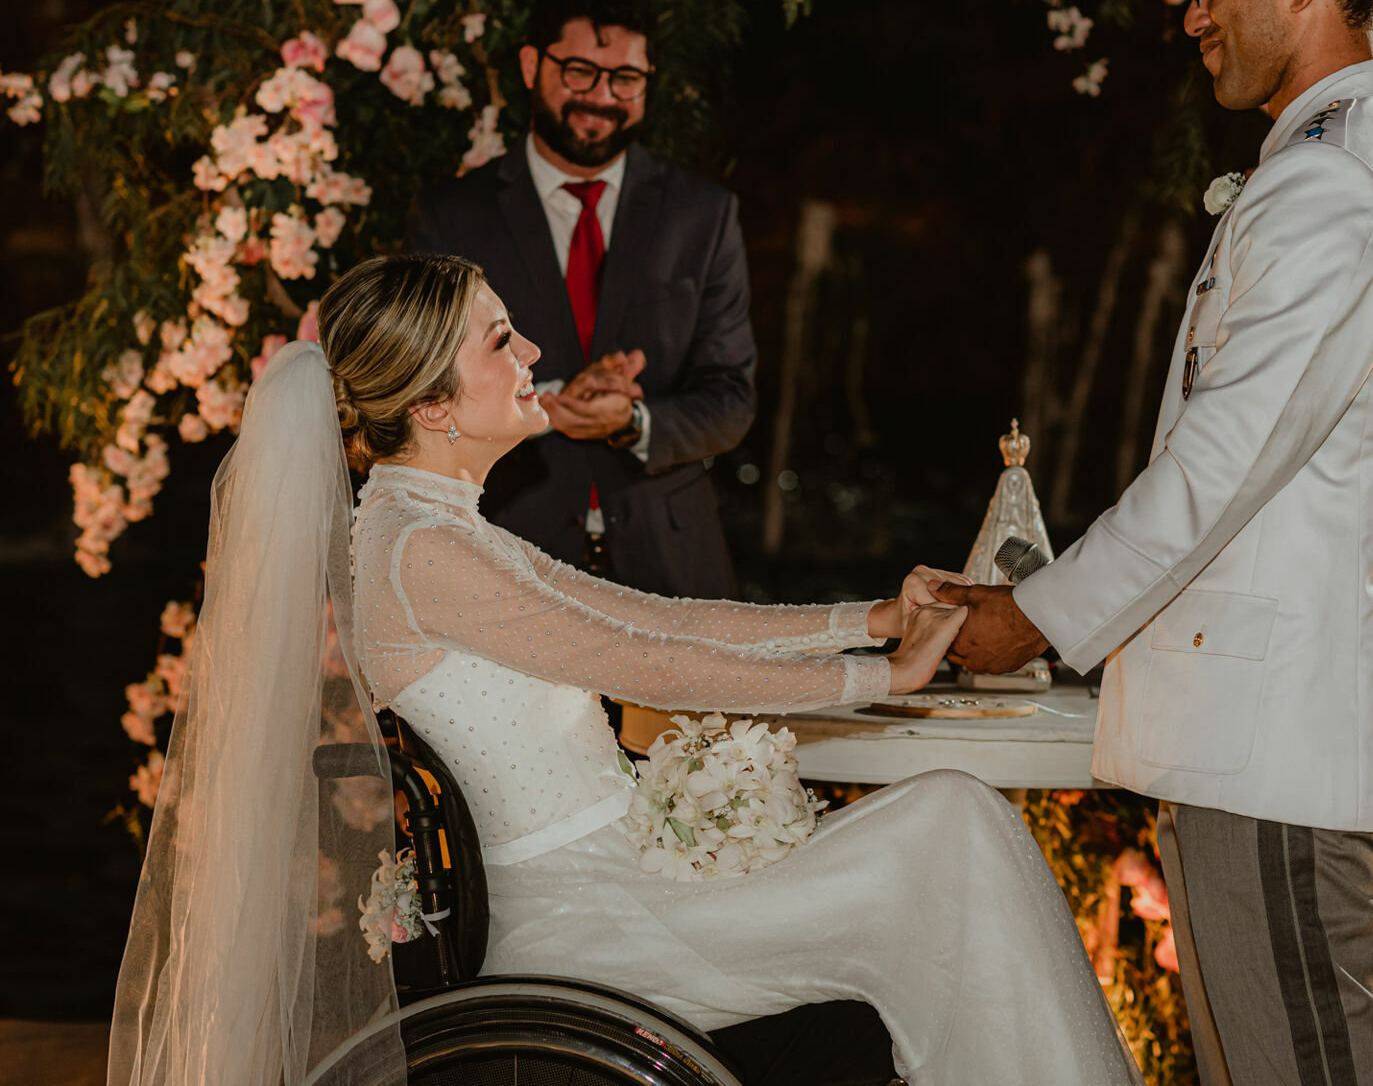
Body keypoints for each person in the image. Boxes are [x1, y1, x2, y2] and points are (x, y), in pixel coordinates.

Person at [109, 251, 1143, 1086]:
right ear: (432, 404)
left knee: (951, 822)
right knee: (953, 820)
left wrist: (870, 617)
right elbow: (644, 658)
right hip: (594, 927)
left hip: (627, 886)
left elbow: (653, 616)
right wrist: (883, 679)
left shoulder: (434, 527)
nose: (535, 352)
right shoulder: (422, 552)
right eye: (500, 339)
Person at [936, 0, 1373, 1086]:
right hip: (1261, 735)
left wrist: (1032, 617)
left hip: (1272, 745)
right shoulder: (1346, 160)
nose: (1192, 12)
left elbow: (1223, 458)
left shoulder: (1338, 184)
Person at [412, 0, 755, 598]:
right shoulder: (452, 218)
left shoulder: (702, 215)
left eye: (625, 78)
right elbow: (424, 397)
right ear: (529, 65)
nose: (601, 96)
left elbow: (732, 399)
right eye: (579, 72)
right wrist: (543, 404)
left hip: (674, 571)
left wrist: (634, 420)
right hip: (504, 560)